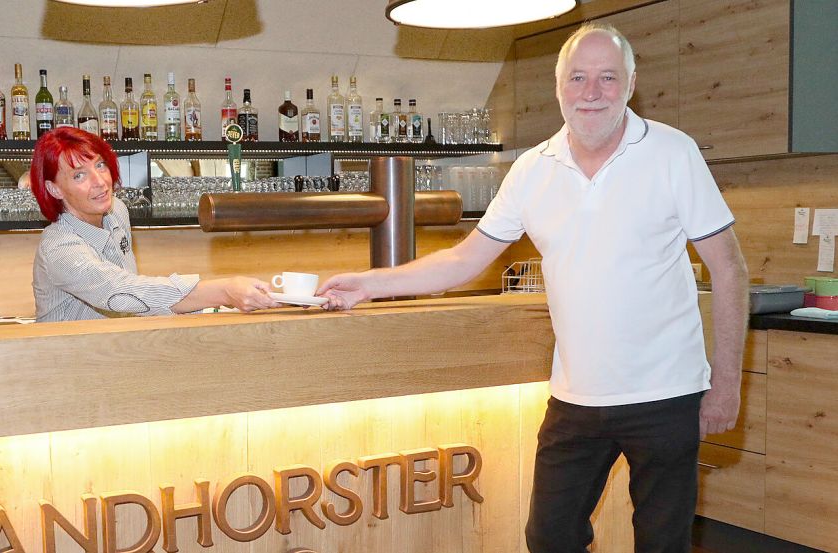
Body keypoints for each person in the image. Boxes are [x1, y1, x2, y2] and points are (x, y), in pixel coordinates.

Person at [318, 23, 749, 553]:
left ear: (631, 83)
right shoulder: (531, 169)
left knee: (663, 544)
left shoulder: (672, 153)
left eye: (607, 78)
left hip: (666, 395)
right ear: (558, 85)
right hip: (575, 398)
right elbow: (464, 259)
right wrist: (369, 283)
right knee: (549, 538)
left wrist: (726, 384)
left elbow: (730, 270)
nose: (592, 92)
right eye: (578, 78)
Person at [30, 127, 278, 322]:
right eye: (79, 175)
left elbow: (136, 300)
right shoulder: (59, 248)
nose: (100, 182)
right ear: (54, 189)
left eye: (100, 165)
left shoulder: (116, 211)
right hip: (65, 362)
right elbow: (121, 293)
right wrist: (224, 290)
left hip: (112, 351)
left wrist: (202, 310)